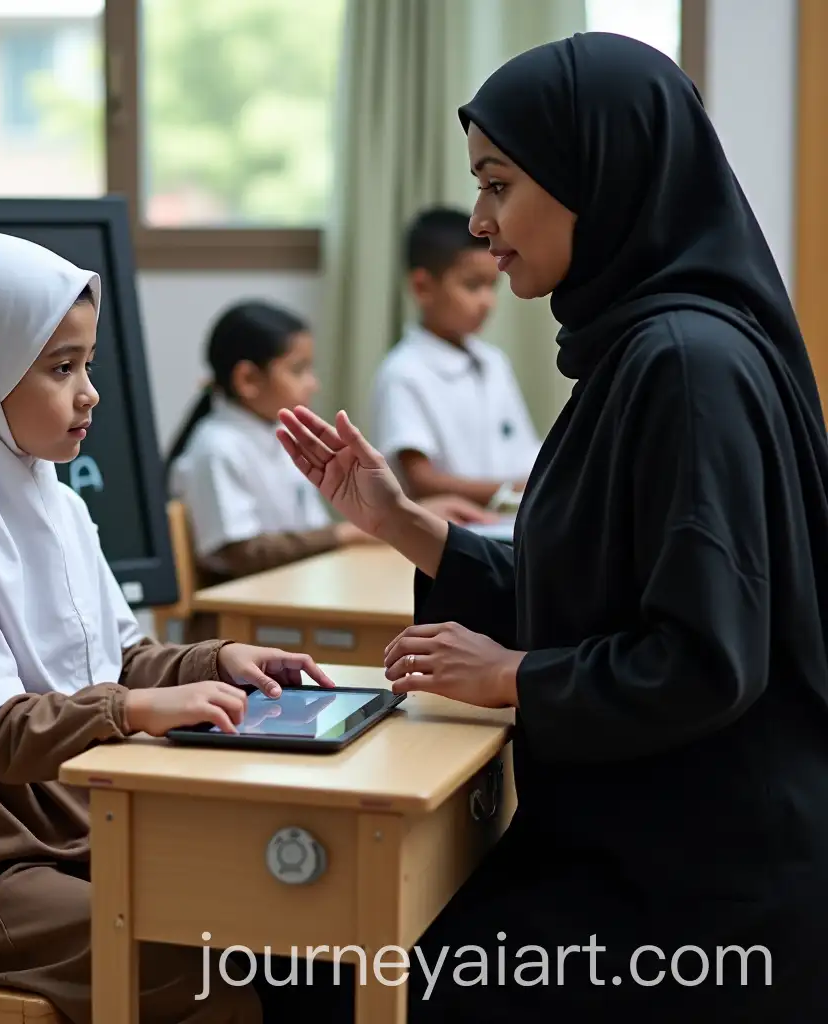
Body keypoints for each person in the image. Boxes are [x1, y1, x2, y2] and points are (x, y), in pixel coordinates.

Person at [275, 32, 828, 1022]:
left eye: (498, 184)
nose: (481, 224)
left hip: (698, 906)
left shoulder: (684, 364)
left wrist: (510, 675)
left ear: (595, 174)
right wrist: (406, 525)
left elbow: (704, 659)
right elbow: (597, 581)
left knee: (317, 980)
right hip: (650, 854)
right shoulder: (645, 346)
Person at [0, 231, 339, 1024]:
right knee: (209, 959)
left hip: (91, 816)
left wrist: (219, 660)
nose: (88, 393)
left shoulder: (60, 504)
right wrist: (129, 709)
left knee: (280, 919)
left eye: (86, 364)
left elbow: (121, 655)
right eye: (60, 368)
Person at [167, 300, 489, 588]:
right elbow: (239, 554)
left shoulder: (275, 433)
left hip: (291, 588)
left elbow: (308, 530)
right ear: (248, 380)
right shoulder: (216, 448)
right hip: (240, 615)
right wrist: (353, 532)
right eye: (298, 370)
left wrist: (399, 518)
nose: (313, 383)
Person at [370, 206, 540, 506]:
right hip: (449, 532)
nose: (487, 302)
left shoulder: (494, 362)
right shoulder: (404, 372)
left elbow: (526, 454)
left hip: (506, 523)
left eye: (492, 286)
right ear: (422, 287)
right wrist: (515, 488)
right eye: (472, 286)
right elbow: (421, 481)